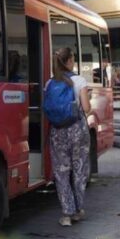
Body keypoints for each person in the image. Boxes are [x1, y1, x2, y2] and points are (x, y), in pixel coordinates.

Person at [47, 47, 91, 227]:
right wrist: (88, 96)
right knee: (79, 170)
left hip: (57, 131)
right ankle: (79, 210)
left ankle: (66, 213)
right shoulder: (79, 80)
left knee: (61, 172)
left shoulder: (49, 83)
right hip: (77, 129)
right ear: (70, 60)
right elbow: (87, 108)